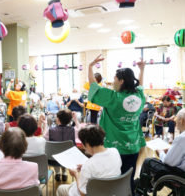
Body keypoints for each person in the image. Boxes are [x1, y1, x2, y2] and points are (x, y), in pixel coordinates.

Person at [88, 54, 146, 195]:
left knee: (111, 180)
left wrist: (90, 67)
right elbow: (141, 86)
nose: (112, 82)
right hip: (133, 145)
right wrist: (142, 70)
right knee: (128, 179)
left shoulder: (113, 98)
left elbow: (93, 86)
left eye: (114, 79)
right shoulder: (138, 96)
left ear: (120, 81)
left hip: (113, 148)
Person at [57, 125, 122, 196]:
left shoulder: (89, 165)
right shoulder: (115, 152)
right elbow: (104, 168)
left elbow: (83, 193)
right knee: (74, 184)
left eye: (82, 144)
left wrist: (76, 174)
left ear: (87, 144)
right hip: (111, 191)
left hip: (92, 192)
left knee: (60, 188)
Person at [135, 108, 185, 195]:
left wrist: (160, 152)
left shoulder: (182, 138)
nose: (175, 121)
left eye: (176, 118)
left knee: (149, 161)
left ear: (183, 121)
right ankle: (149, 184)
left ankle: (141, 189)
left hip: (180, 176)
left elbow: (168, 162)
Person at [44, 109, 79, 182]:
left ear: (58, 119)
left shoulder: (50, 130)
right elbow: (80, 130)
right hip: (69, 160)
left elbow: (44, 138)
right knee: (65, 152)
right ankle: (64, 172)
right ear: (70, 120)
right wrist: (75, 119)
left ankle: (57, 172)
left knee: (56, 152)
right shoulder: (74, 130)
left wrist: (44, 124)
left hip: (53, 160)